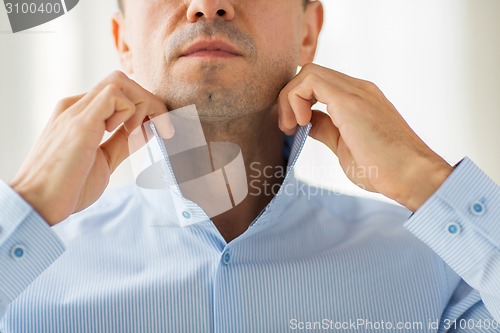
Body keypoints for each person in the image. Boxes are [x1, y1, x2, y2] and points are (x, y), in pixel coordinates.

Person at [0, 0, 499, 332]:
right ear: (123, 40)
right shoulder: (21, 279)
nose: (208, 4)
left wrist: (430, 182)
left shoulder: (442, 271)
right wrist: (24, 209)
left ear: (310, 30)